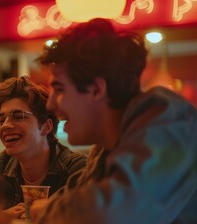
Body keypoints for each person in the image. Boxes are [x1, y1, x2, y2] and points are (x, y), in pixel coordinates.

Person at [30, 18, 197, 223]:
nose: (51, 104)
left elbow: (109, 214)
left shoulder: (169, 125)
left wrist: (48, 210)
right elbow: (70, 201)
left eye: (60, 89)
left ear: (97, 89)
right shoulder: (106, 147)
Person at [0, 76, 87, 219]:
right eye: (1, 119)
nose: (5, 125)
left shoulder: (76, 169)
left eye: (18, 116)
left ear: (46, 127)